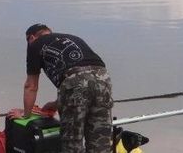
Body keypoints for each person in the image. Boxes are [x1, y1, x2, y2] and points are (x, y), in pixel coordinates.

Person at [10, 23, 113, 153]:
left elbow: (31, 86)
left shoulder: (35, 44)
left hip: (74, 81)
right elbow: (87, 79)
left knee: (72, 142)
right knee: (100, 140)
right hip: (103, 79)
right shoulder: (72, 38)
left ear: (31, 38)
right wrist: (56, 104)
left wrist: (25, 114)